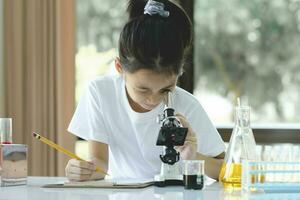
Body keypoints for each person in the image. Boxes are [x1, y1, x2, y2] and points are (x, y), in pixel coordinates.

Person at [65, 0, 225, 182]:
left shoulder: (186, 105)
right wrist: (84, 169)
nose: (153, 99)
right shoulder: (101, 93)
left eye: (165, 89)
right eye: (143, 89)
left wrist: (194, 155)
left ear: (179, 73)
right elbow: (100, 162)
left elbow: (228, 170)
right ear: (119, 67)